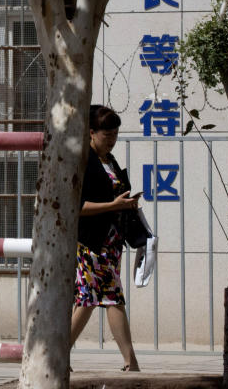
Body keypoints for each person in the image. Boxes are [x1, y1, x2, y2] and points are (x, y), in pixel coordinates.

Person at [69, 104, 141, 372]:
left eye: (115, 134)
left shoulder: (110, 161)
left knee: (88, 301)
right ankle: (130, 362)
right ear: (91, 132)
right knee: (111, 298)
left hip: (111, 243)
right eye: (106, 135)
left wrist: (127, 204)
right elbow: (78, 207)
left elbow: (116, 199)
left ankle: (57, 354)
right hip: (92, 244)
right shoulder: (84, 162)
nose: (112, 140)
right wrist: (114, 205)